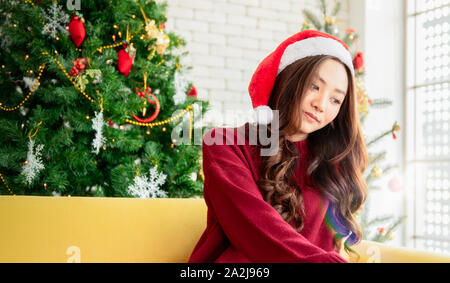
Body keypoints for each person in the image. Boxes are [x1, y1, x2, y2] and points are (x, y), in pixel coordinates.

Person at [188, 30, 369, 263]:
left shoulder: (332, 164)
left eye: (336, 100)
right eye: (315, 86)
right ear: (290, 79)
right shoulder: (226, 144)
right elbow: (254, 229)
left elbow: (330, 246)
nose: (321, 105)